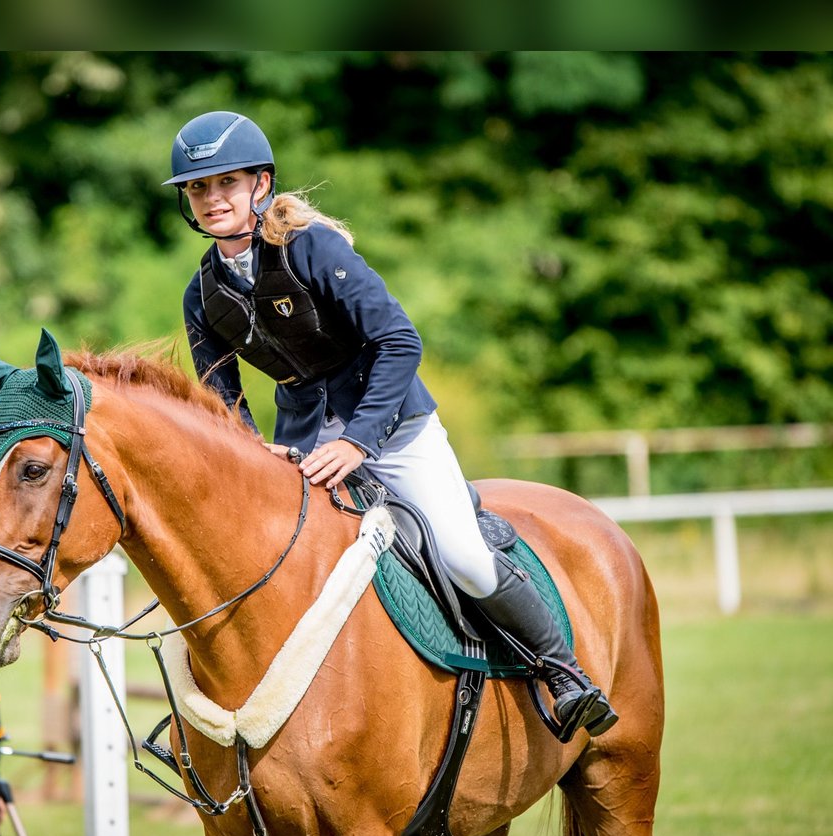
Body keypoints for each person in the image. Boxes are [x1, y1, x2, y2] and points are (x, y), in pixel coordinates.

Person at [165, 110, 617, 738]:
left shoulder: (310, 248)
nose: (212, 199)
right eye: (198, 188)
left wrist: (358, 441)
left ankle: (565, 674)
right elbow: (222, 402)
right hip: (303, 447)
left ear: (260, 185)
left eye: (226, 183)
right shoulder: (201, 294)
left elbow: (399, 341)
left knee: (463, 555)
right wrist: (249, 451)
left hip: (394, 429)